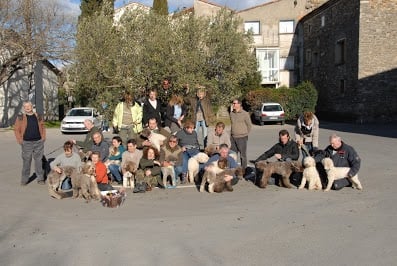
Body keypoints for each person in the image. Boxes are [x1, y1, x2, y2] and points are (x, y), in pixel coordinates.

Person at [14, 101, 46, 185]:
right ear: (24, 108)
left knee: (39, 161)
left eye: (29, 106)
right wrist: (20, 140)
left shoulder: (38, 116)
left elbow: (43, 127)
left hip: (38, 142)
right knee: (26, 161)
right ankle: (24, 180)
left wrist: (43, 138)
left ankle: (40, 179)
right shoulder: (20, 117)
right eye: (25, 106)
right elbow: (16, 129)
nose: (27, 108)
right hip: (26, 142)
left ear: (32, 107)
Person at [230, 98, 252, 170]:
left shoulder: (245, 114)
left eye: (234, 103)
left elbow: (249, 125)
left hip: (242, 137)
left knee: (243, 155)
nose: (233, 105)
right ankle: (234, 169)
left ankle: (243, 170)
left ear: (239, 104)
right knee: (233, 155)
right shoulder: (231, 113)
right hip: (233, 137)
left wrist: (244, 133)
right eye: (233, 103)